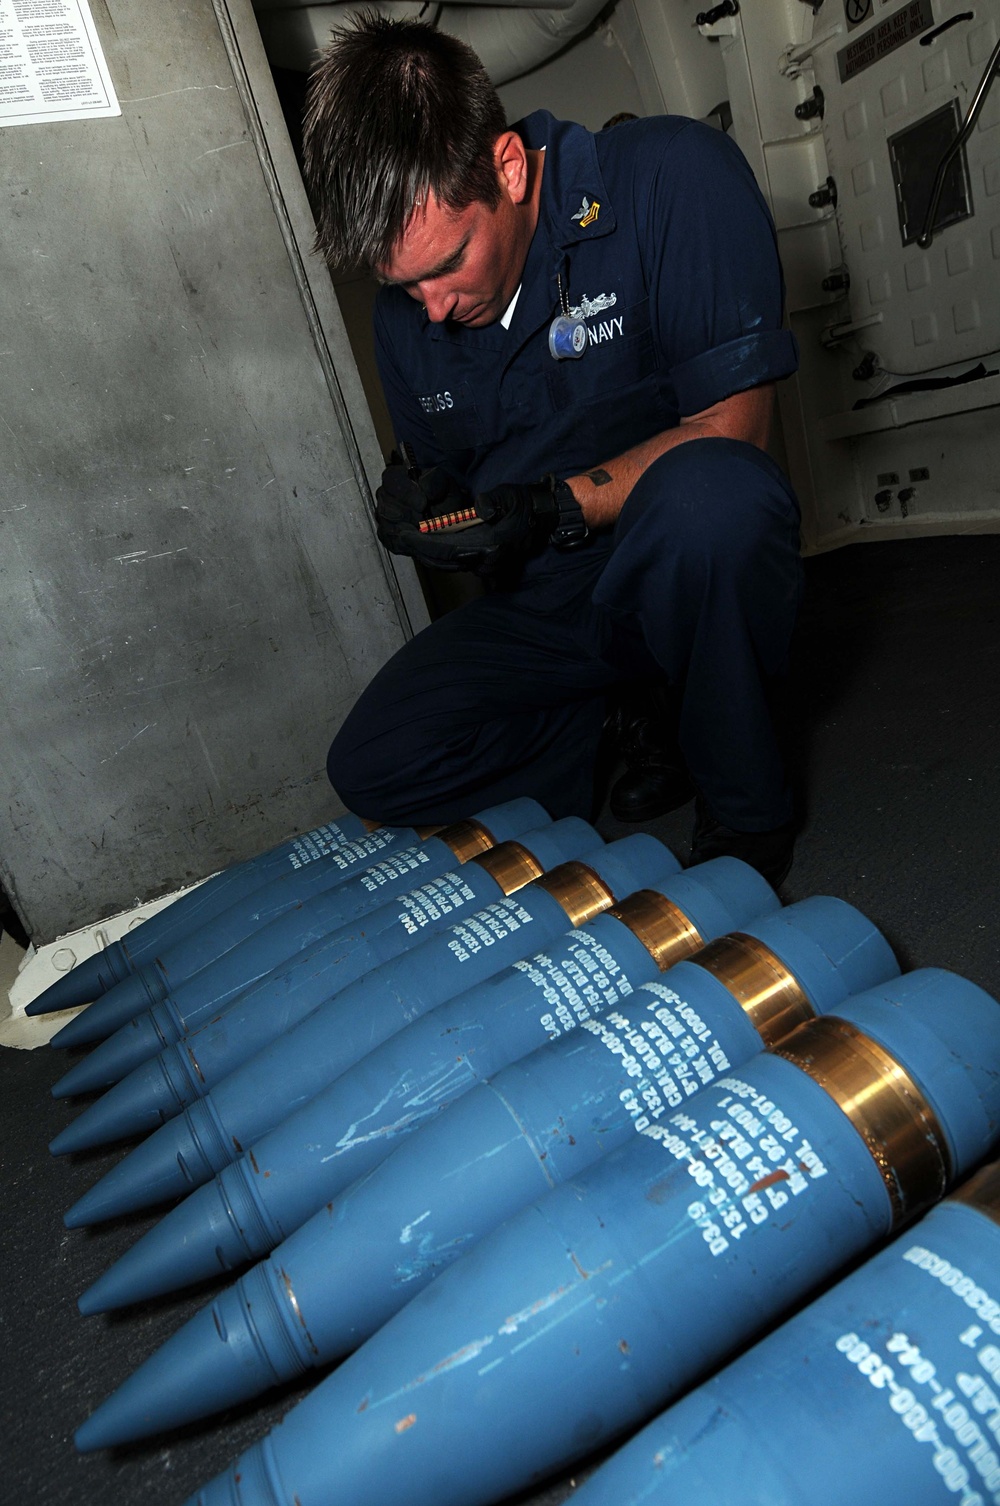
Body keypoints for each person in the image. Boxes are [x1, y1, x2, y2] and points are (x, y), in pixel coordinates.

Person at [301, 13, 803, 885]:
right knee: (374, 761)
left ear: (507, 167)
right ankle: (619, 716)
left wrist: (556, 502)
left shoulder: (671, 177)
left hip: (676, 565)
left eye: (445, 263)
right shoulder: (409, 315)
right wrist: (424, 503)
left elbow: (735, 431)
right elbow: (451, 467)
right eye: (400, 283)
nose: (428, 307)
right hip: (549, 605)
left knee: (714, 502)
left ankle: (743, 808)